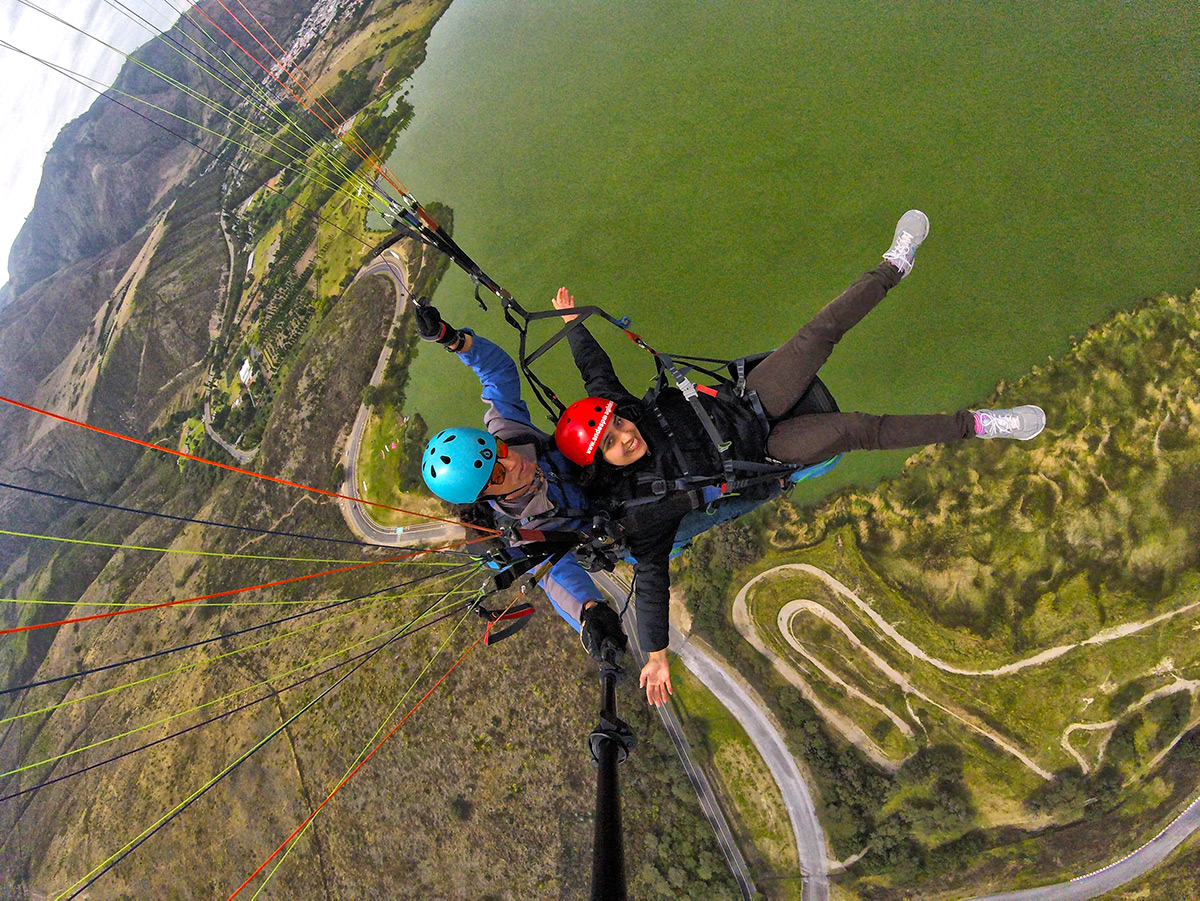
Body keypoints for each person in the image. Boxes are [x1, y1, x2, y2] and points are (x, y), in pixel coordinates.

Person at [552, 211, 1046, 705]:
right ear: (600, 460)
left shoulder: (628, 412)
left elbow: (597, 375)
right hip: (768, 451)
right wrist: (656, 652)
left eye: (618, 423)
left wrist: (574, 325)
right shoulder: (645, 512)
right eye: (613, 442)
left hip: (750, 401)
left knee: (816, 335)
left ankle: (893, 266)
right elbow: (653, 579)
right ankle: (977, 425)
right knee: (858, 430)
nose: (626, 435)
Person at [414, 304, 625, 660]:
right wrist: (588, 613)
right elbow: (556, 575)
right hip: (622, 525)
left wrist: (452, 340)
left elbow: (498, 372)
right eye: (498, 475)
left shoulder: (509, 431)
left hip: (613, 466)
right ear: (484, 495)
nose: (513, 462)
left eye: (498, 450)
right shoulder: (521, 530)